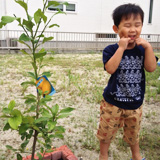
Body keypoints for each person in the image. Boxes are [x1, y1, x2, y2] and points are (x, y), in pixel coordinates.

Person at [96, 3, 157, 160]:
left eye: (137, 25)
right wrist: (121, 48)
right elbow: (110, 68)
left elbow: (151, 68)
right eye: (127, 25)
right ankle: (103, 156)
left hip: (135, 102)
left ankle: (136, 156)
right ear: (116, 29)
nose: (133, 29)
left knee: (133, 133)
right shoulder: (110, 49)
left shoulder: (143, 49)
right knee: (106, 133)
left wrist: (149, 47)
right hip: (113, 102)